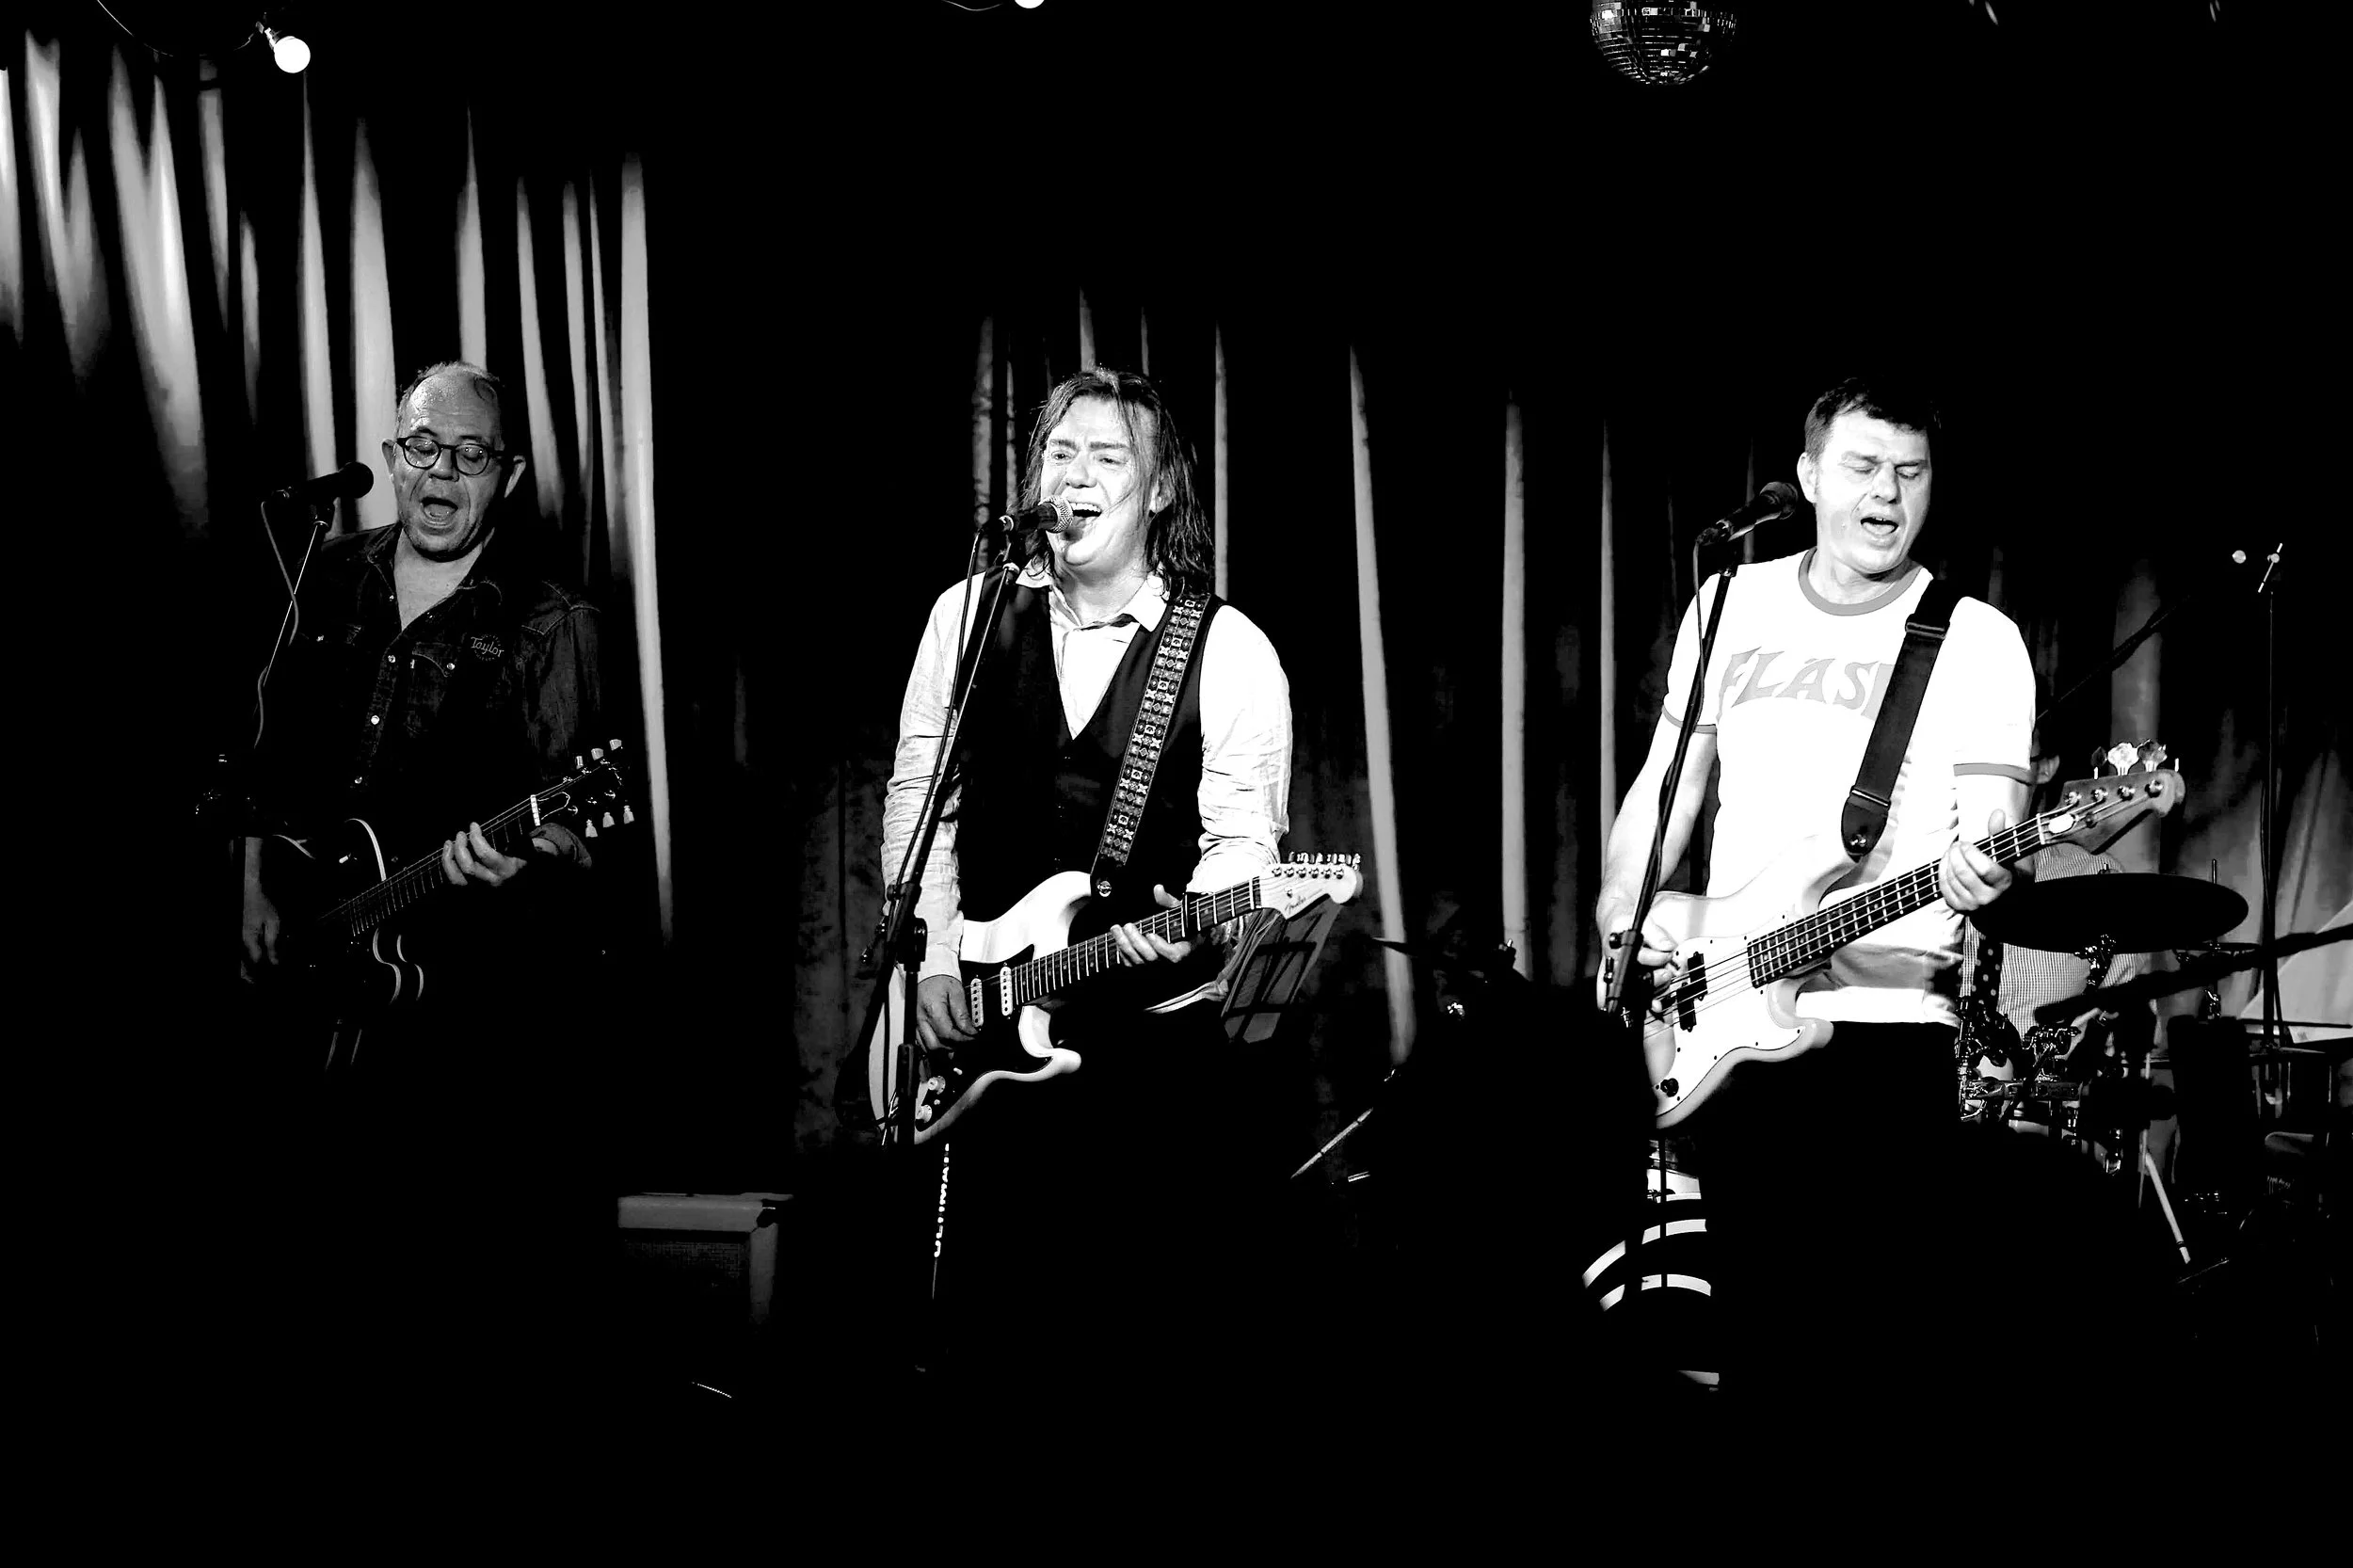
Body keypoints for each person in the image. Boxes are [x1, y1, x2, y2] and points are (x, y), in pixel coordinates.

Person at [1593, 375, 2075, 1441]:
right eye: (1861, 468)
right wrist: (1625, 911)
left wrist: (1986, 865)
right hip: (1726, 1016)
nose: (1885, 495)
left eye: (1909, 474)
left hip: (1884, 1036)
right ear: (1809, 477)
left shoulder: (1973, 636)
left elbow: (1994, 821)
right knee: (1756, 1350)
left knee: (1873, 1360)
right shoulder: (1729, 602)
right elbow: (1664, 783)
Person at [878, 367, 1293, 1435]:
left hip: (1149, 1064)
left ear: (1159, 492)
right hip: (982, 1039)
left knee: (1133, 1363)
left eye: (1108, 458)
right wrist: (926, 961)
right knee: (983, 1355)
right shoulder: (967, 616)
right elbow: (920, 804)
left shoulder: (1227, 648)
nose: (1076, 475)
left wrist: (1190, 928)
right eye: (1060, 453)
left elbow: (1245, 855)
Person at [230, 360, 612, 1455]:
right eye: (421, 449)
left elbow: (576, 833)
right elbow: (261, 767)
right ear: (393, 455)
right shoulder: (327, 578)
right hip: (304, 1003)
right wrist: (253, 881)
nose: (440, 475)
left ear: (511, 473)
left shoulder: (551, 620)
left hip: (458, 1033)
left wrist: (530, 857)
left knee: (431, 1331)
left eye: (470, 455)